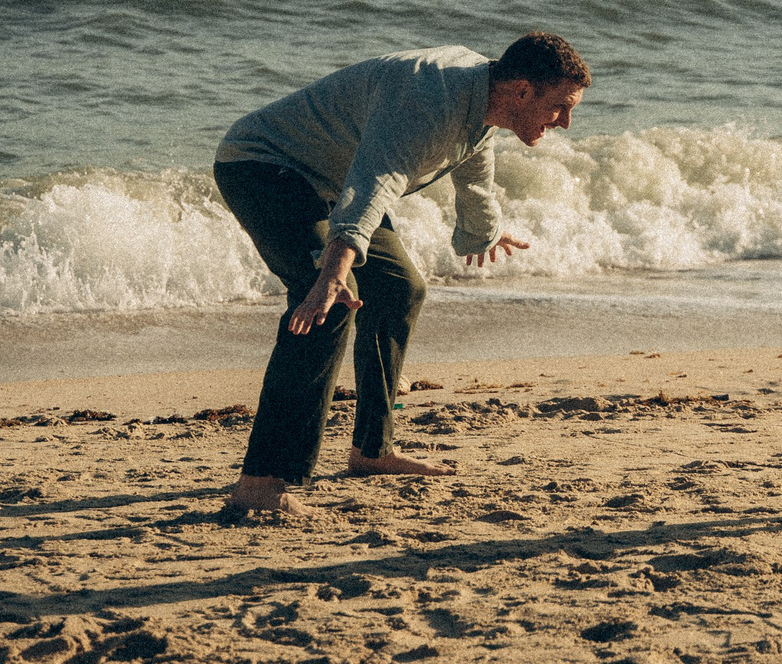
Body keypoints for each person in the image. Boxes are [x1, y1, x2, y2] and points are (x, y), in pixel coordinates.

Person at [210, 33, 589, 519]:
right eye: (560, 107)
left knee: (399, 288)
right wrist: (331, 274)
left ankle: (372, 450)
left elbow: (473, 159)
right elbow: (373, 184)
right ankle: (261, 484)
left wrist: (482, 231)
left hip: (334, 179)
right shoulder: (427, 99)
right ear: (521, 91)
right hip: (266, 165)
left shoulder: (483, 93)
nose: (566, 121)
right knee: (330, 301)